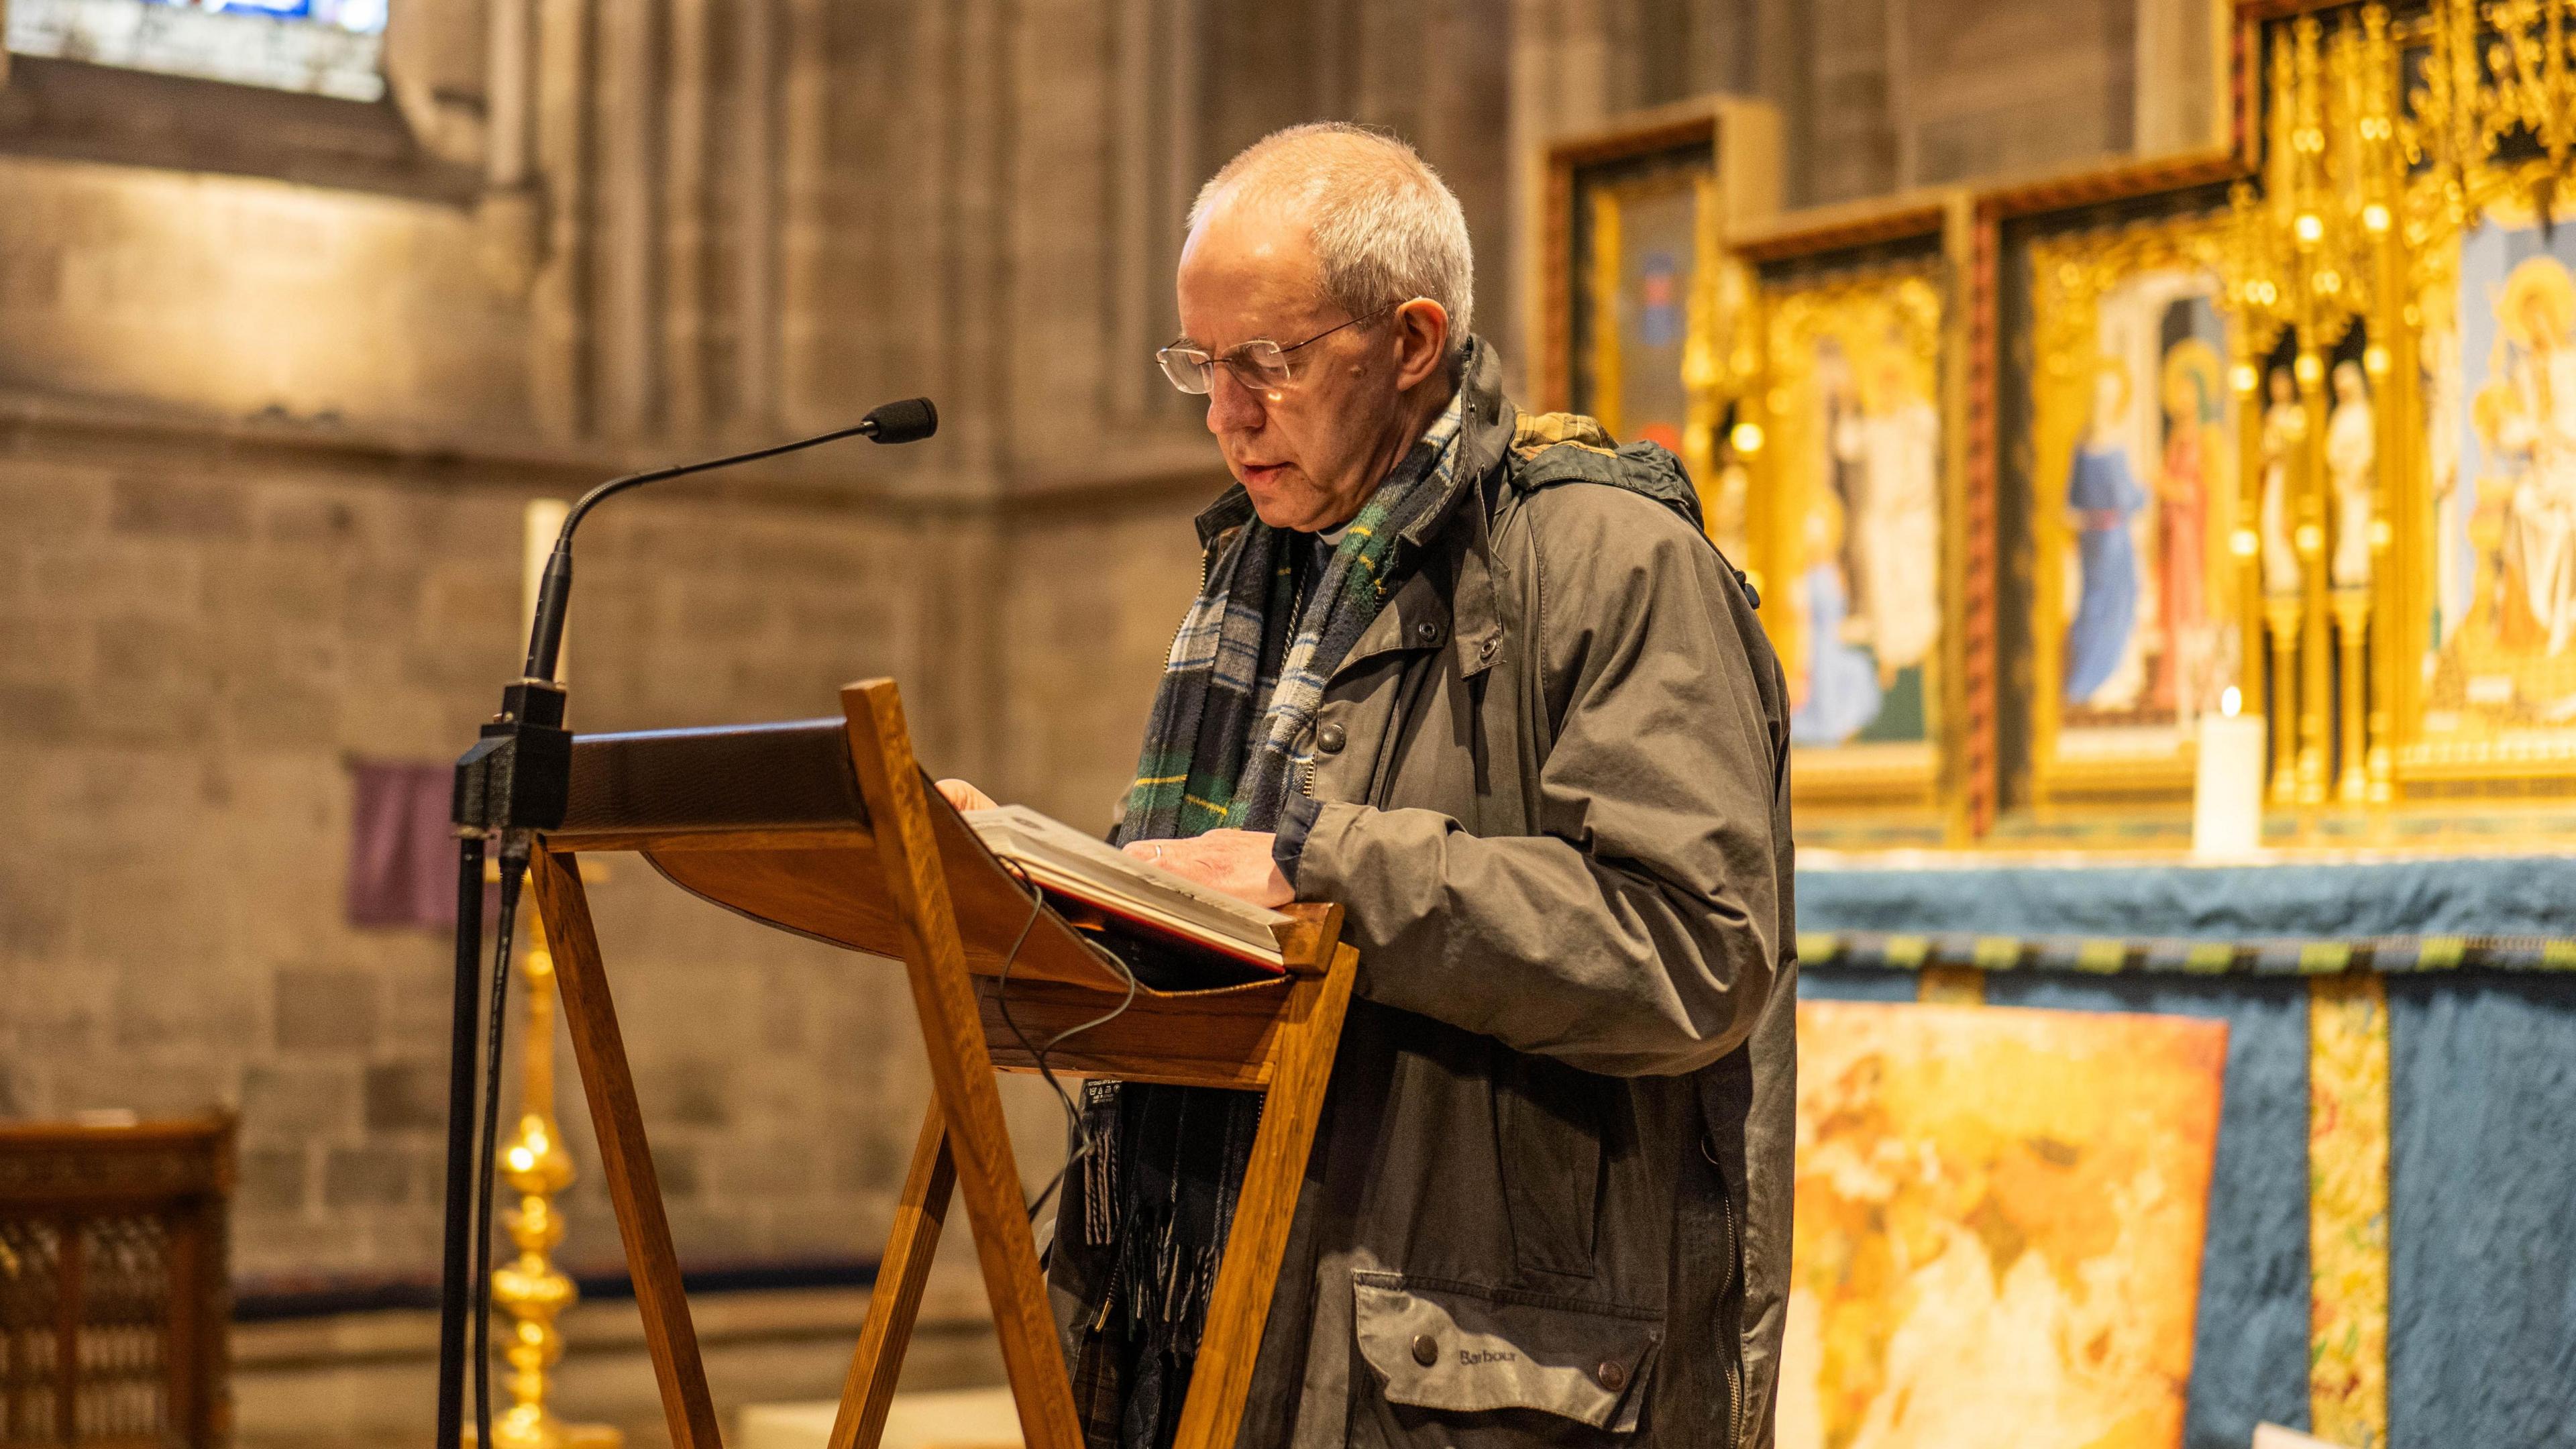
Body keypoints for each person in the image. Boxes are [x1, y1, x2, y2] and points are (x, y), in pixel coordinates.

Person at [941, 123, 1794, 1449]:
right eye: (1201, 366)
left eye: (1265, 363)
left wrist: (1328, 870)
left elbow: (1698, 951)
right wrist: (1030, 885)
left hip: (1473, 1371)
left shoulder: (1613, 565)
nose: (1225, 414)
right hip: (1199, 1320)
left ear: (1410, 341)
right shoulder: (1258, 579)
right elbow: (1208, 920)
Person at [2064, 364, 2147, 706]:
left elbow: (2075, 500)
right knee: (2109, 605)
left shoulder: (2087, 445)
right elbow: (2126, 498)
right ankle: (2099, 679)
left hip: (2097, 538)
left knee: (2102, 604)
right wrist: (2147, 492)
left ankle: (2100, 681)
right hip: (2109, 540)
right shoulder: (2108, 446)